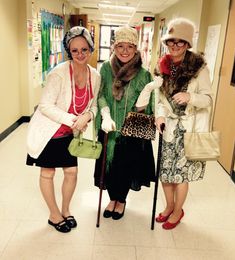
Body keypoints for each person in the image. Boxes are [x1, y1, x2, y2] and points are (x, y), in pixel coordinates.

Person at [26, 26, 101, 233]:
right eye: (75, 50)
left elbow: (93, 105)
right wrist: (71, 119)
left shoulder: (94, 75)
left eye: (84, 49)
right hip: (50, 131)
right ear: (69, 51)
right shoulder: (58, 73)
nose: (80, 54)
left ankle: (66, 210)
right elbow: (45, 106)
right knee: (48, 173)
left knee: (72, 172)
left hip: (69, 133)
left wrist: (88, 115)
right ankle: (53, 214)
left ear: (91, 49)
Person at [94, 26, 162, 220]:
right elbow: (100, 95)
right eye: (120, 46)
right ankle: (111, 198)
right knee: (107, 168)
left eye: (129, 46)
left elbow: (145, 110)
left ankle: (121, 200)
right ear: (114, 47)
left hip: (130, 132)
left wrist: (148, 92)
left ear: (136, 49)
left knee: (124, 168)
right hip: (109, 128)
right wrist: (106, 115)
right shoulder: (106, 68)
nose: (125, 51)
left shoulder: (143, 74)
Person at [153, 18, 213, 229]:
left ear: (188, 44)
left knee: (180, 175)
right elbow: (160, 99)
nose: (175, 46)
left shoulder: (199, 68)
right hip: (168, 128)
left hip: (188, 129)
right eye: (171, 41)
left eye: (180, 42)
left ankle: (178, 212)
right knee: (165, 173)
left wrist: (190, 97)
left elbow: (207, 99)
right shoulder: (163, 66)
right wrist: (159, 115)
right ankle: (169, 206)